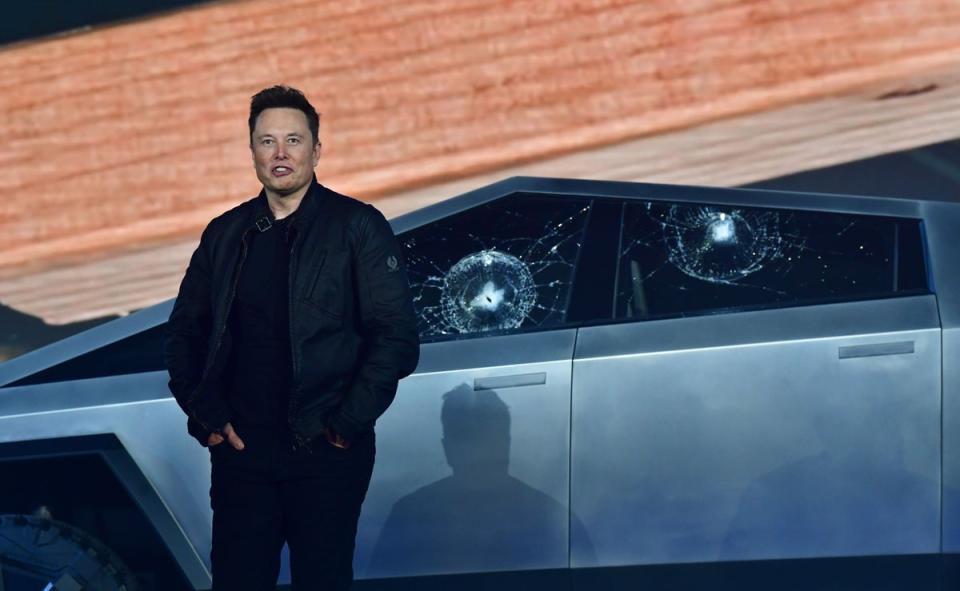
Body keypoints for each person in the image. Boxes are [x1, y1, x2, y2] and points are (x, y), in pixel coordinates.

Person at [163, 85, 420, 590]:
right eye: (267, 141)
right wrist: (207, 416)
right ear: (253, 151)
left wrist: (346, 425)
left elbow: (396, 337)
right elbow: (184, 335)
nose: (280, 154)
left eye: (293, 140)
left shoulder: (358, 227)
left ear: (316, 150)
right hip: (242, 456)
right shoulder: (225, 233)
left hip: (326, 453)